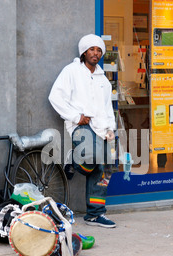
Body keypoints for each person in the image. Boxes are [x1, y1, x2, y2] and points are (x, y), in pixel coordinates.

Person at [48, 34, 117, 228]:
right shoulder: (71, 71)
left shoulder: (102, 78)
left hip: (102, 127)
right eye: (92, 49)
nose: (96, 53)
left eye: (99, 50)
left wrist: (110, 128)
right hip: (81, 125)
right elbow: (55, 97)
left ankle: (95, 214)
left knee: (103, 172)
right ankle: (74, 160)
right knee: (92, 157)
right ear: (84, 52)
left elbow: (106, 106)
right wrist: (76, 116)